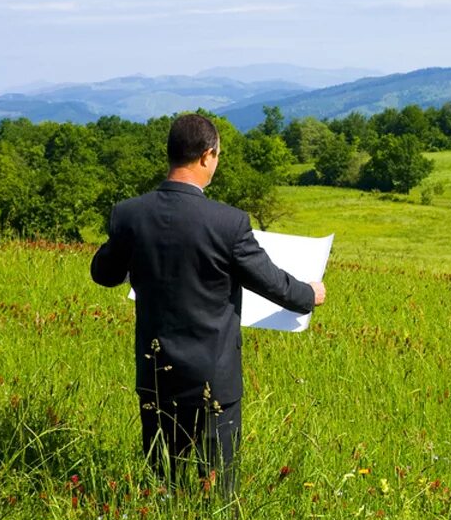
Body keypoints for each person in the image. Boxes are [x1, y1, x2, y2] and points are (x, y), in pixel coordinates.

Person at [90, 113, 325, 493]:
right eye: (217, 156)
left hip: (155, 372)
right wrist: (308, 295)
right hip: (213, 378)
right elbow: (271, 282)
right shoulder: (228, 223)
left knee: (162, 479)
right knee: (217, 487)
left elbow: (103, 273)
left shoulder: (130, 215)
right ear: (206, 155)